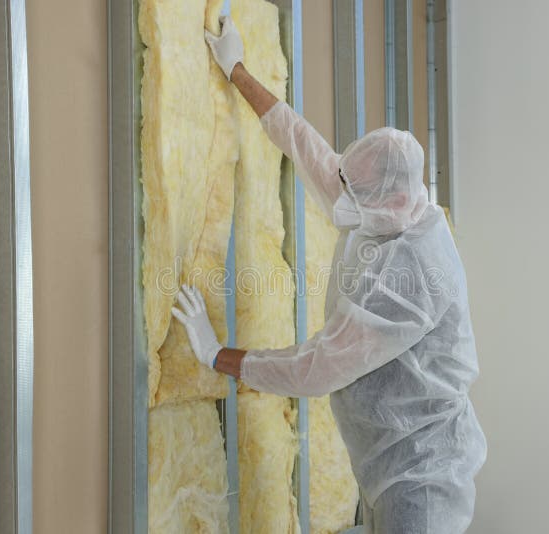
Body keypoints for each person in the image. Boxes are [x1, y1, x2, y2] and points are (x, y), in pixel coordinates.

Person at [171, 17, 487, 534]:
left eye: (357, 199)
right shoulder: (390, 202)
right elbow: (308, 149)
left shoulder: (414, 277)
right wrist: (237, 70)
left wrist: (217, 356)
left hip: (422, 482)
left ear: (396, 202)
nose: (343, 204)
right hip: (385, 461)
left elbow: (320, 366)